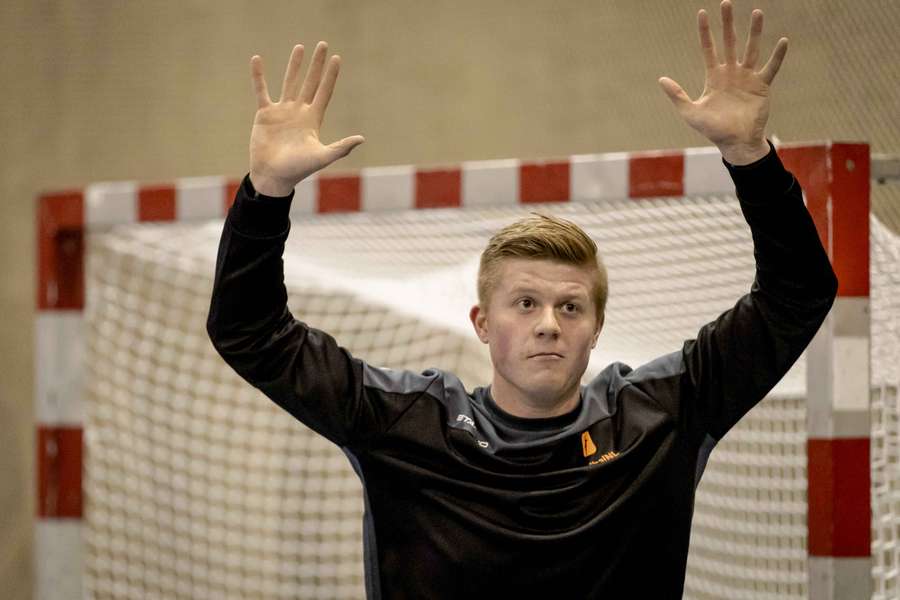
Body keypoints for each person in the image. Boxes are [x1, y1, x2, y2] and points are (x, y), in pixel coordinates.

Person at [206, 1, 837, 597]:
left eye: (570, 308)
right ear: (482, 322)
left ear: (596, 327)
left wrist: (749, 157)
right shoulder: (406, 423)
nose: (548, 326)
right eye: (525, 304)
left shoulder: (661, 415)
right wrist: (266, 191)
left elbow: (798, 294)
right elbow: (249, 332)